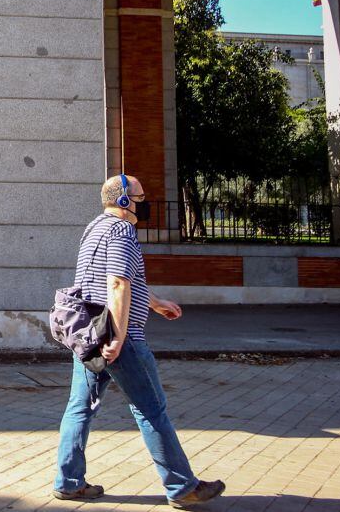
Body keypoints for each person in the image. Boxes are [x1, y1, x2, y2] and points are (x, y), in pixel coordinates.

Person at [53, 174, 226, 509]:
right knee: (151, 409)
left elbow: (112, 283)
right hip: (120, 339)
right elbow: (117, 285)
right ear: (123, 201)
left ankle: (68, 482)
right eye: (140, 197)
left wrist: (155, 301)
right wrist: (118, 338)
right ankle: (182, 487)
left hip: (88, 334)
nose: (144, 203)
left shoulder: (94, 228)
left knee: (79, 408)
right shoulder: (121, 230)